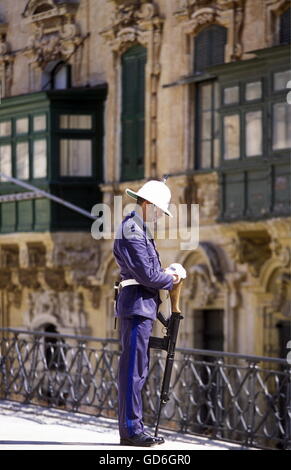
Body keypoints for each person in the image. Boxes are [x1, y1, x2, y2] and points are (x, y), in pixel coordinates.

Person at [113, 180, 180, 447]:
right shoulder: (132, 230)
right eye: (158, 211)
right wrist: (172, 278)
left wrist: (166, 276)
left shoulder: (138, 229)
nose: (158, 216)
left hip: (142, 305)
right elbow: (148, 275)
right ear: (148, 205)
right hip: (136, 306)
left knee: (137, 369)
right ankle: (131, 431)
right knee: (133, 371)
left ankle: (134, 427)